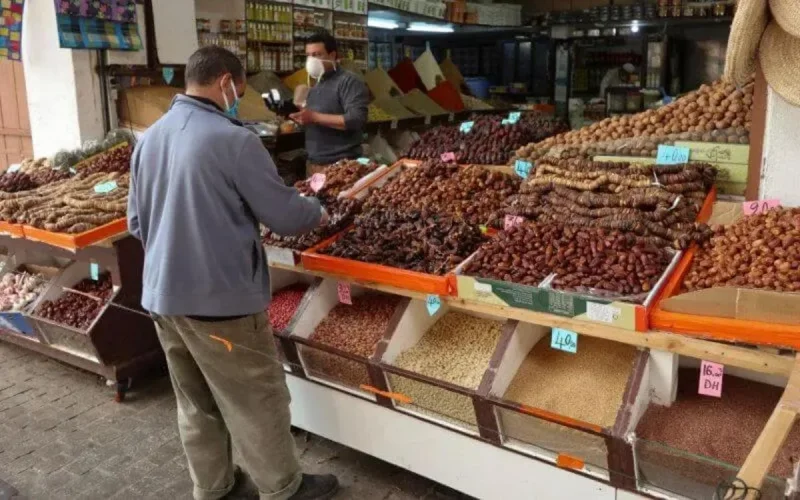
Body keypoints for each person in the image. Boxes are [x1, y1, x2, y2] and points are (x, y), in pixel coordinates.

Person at [127, 46, 339, 500]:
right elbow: (284, 215)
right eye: (239, 92)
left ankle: (214, 487)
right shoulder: (235, 140)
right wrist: (318, 211)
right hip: (221, 303)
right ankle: (284, 489)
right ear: (225, 82)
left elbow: (136, 223)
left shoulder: (149, 139)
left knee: (195, 402)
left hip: (163, 298)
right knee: (256, 398)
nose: (238, 100)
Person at [289, 31, 369, 174]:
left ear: (332, 55)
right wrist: (297, 112)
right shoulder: (315, 83)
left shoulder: (349, 82)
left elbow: (356, 119)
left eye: (317, 55)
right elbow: (313, 122)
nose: (311, 60)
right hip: (313, 164)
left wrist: (314, 117)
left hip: (342, 166)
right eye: (308, 55)